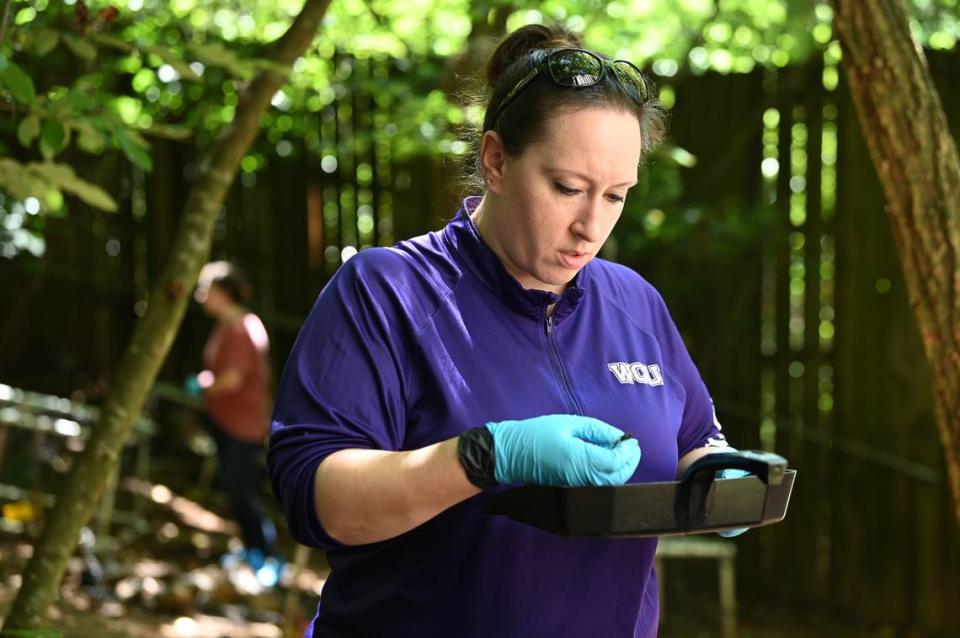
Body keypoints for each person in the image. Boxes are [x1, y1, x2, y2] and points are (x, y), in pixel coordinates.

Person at [269, 24, 739, 637]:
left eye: (617, 195)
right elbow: (315, 499)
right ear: (496, 160)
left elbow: (694, 442)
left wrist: (722, 475)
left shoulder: (635, 304)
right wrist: (485, 455)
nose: (591, 226)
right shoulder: (389, 293)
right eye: (568, 188)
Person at [186, 260, 282, 587]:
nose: (200, 295)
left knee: (241, 492)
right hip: (226, 422)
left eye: (206, 289)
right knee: (235, 490)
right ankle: (253, 551)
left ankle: (268, 556)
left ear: (223, 292)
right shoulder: (227, 325)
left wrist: (203, 385)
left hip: (243, 425)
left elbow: (233, 378)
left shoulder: (242, 327)